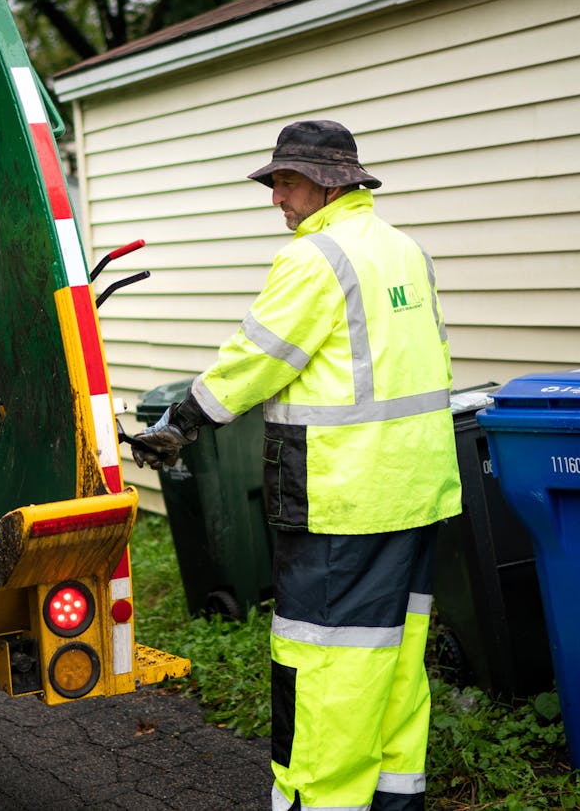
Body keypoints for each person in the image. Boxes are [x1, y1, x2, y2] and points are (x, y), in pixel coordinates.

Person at [131, 120, 462, 811]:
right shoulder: (406, 251)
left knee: (323, 673)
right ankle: (394, 801)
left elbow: (255, 360)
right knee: (395, 667)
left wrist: (179, 425)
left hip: (344, 502)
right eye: (275, 181)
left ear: (333, 181)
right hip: (418, 492)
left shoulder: (316, 259)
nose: (276, 197)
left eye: (287, 181)